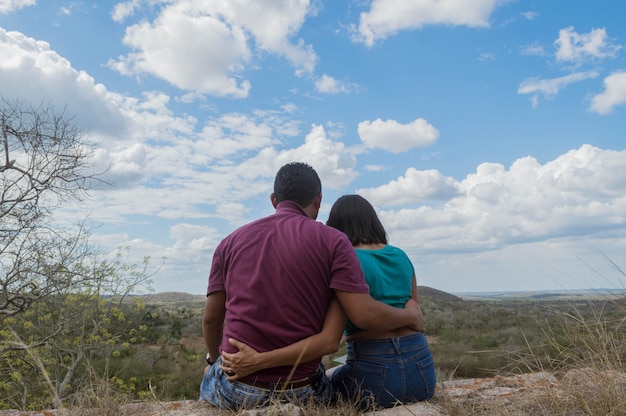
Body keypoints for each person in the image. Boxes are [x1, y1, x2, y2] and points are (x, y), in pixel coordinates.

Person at [199, 163, 424, 410]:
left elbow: (211, 320)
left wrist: (214, 360)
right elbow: (333, 338)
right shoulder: (335, 242)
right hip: (303, 389)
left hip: (237, 387)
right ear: (318, 200)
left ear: (274, 200)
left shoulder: (229, 242)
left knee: (211, 377)